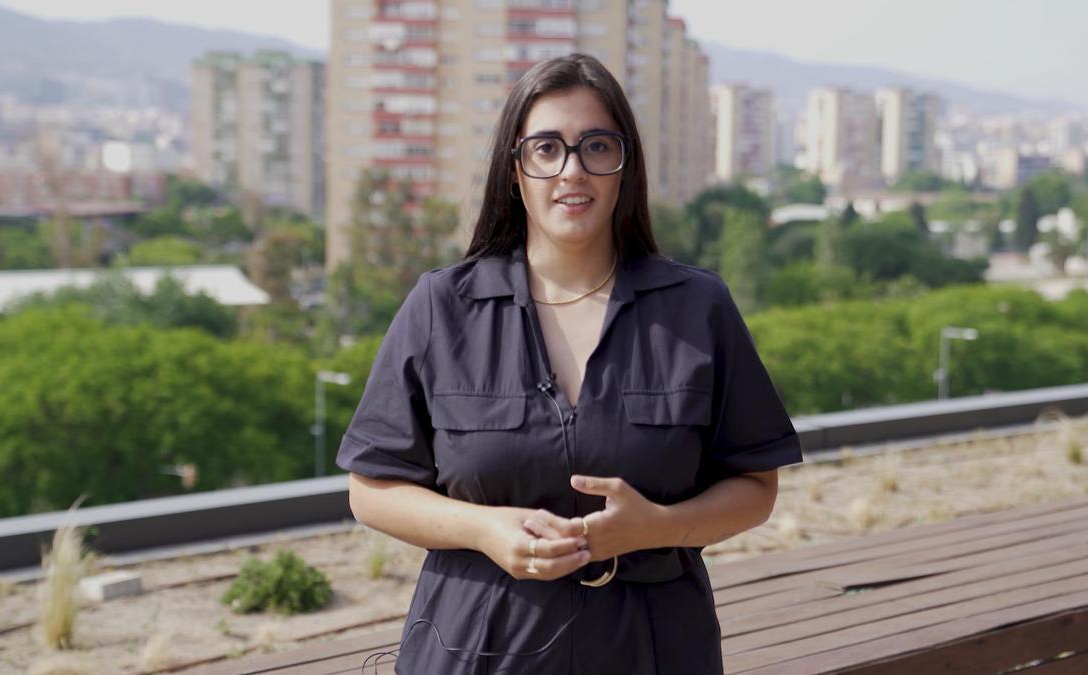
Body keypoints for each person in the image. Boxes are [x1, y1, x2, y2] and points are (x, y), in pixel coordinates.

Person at [337, 53, 803, 674]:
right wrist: (485, 530)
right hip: (475, 651)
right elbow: (372, 489)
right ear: (514, 171)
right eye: (546, 149)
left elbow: (754, 487)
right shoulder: (441, 307)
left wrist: (656, 526)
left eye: (597, 147)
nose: (572, 171)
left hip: (656, 651)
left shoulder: (698, 308)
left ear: (624, 167)